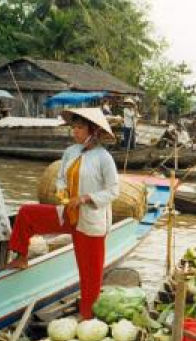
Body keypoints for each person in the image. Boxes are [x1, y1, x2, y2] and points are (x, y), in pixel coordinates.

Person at [6, 108, 119, 319]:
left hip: (90, 220)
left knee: (90, 275)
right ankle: (21, 256)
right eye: (73, 127)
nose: (74, 132)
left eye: (79, 128)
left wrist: (84, 198)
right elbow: (61, 177)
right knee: (27, 213)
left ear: (93, 131)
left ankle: (87, 317)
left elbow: (113, 191)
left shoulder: (104, 158)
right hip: (68, 212)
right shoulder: (71, 152)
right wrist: (61, 189)